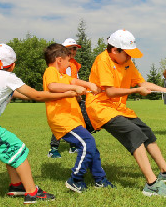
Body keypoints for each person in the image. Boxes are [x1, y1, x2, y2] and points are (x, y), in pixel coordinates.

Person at [0, 43, 75, 204]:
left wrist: (53, 96)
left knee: (12, 151)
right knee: (18, 149)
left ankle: (16, 185)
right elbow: (35, 95)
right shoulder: (7, 77)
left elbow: (19, 94)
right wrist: (67, 94)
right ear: (12, 66)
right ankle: (32, 193)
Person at [86, 29, 166, 198]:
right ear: (114, 50)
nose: (130, 58)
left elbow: (142, 83)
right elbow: (110, 92)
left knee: (146, 131)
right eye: (127, 54)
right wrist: (136, 91)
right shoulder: (102, 60)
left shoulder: (127, 62)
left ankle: (165, 171)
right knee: (134, 132)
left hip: (118, 107)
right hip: (100, 108)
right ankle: (151, 184)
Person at [42, 43, 113, 193]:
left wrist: (89, 85)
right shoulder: (51, 71)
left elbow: (74, 81)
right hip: (62, 120)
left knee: (91, 148)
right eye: (68, 61)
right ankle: (76, 179)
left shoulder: (63, 76)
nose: (69, 64)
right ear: (59, 60)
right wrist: (74, 88)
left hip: (72, 120)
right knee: (88, 143)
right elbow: (52, 86)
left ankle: (100, 179)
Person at [47, 38, 93, 158]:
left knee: (75, 119)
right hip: (63, 98)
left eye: (75, 49)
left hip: (72, 97)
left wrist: (84, 88)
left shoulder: (73, 64)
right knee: (62, 122)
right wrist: (74, 89)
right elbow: (57, 84)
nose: (73, 51)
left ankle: (74, 146)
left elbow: (74, 80)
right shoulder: (58, 66)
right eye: (70, 49)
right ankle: (54, 148)